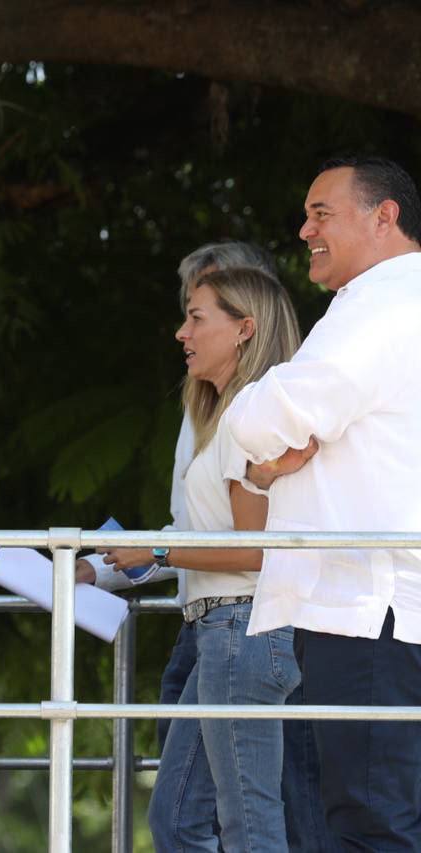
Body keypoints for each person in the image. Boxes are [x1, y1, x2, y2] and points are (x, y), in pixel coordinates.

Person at [77, 242, 333, 848]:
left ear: (244, 329)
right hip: (221, 631)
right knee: (181, 816)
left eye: (196, 318)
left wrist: (158, 554)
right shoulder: (225, 413)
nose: (180, 332)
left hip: (242, 631)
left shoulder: (253, 414)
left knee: (248, 820)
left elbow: (256, 553)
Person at [225, 155, 421, 848]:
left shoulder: (382, 303)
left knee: (371, 825)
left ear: (384, 216)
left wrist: (262, 442)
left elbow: (263, 416)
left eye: (322, 212)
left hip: (370, 609)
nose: (305, 227)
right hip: (387, 607)